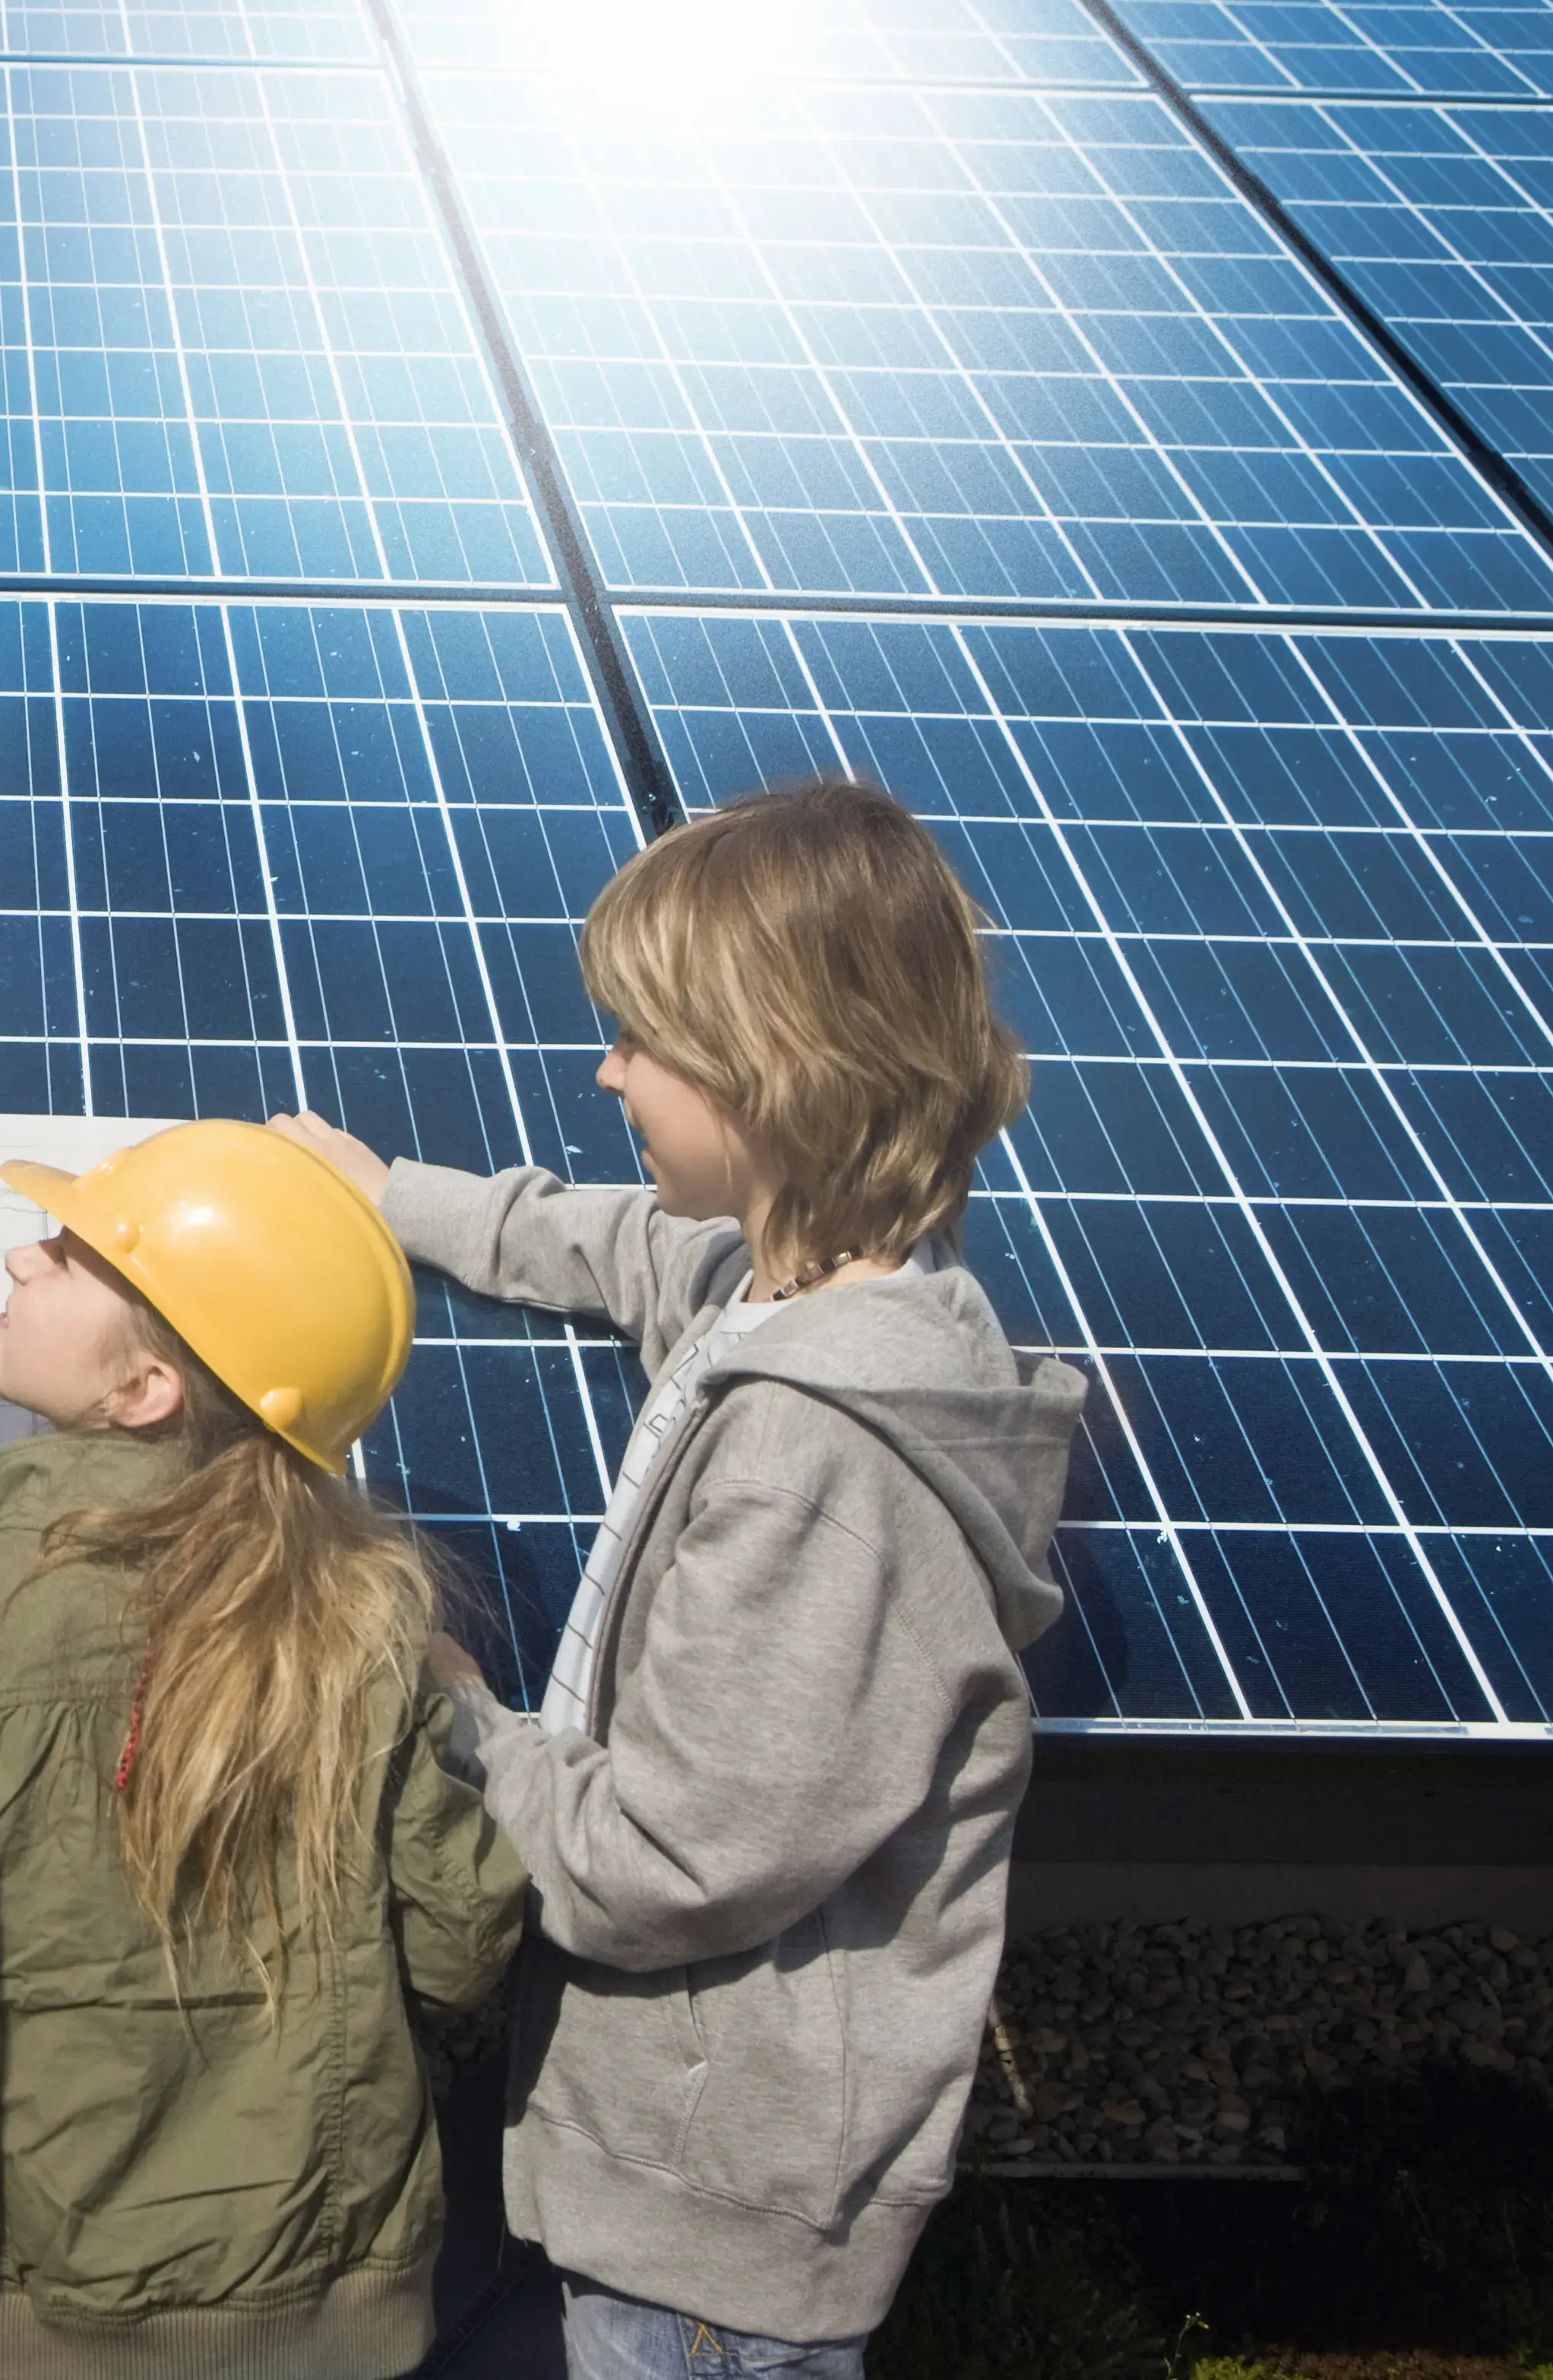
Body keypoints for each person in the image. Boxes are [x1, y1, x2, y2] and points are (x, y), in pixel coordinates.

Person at [275, 774, 1090, 2378]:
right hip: (632, 2137)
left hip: (707, 2233)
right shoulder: (792, 1292)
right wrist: (396, 1200)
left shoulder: (825, 1467)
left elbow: (660, 1862)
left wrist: (458, 1710)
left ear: (774, 1076)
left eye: (641, 1043)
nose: (605, 1070)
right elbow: (636, 1251)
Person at [0, 1117, 531, 2380]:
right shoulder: (367, 1622)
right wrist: (456, 1704)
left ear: (143, 1389)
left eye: (62, 1254)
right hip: (321, 2314)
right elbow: (455, 1949)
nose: (17, 1263)